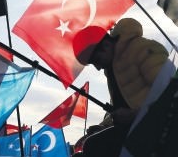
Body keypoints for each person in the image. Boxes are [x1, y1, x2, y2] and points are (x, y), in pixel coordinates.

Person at [72, 18, 170, 157]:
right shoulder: (113, 68)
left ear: (105, 45)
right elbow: (121, 109)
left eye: (97, 61)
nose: (98, 68)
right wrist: (103, 127)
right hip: (137, 131)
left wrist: (135, 115)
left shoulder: (142, 49)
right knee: (88, 147)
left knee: (94, 146)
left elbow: (172, 94)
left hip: (162, 130)